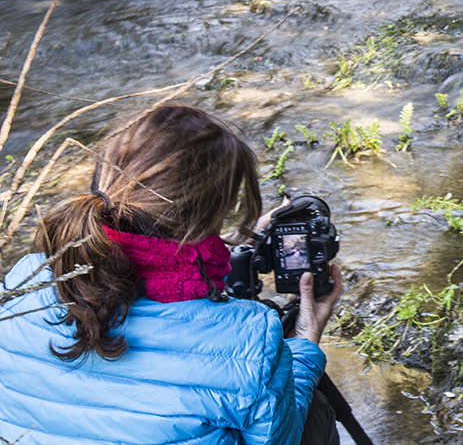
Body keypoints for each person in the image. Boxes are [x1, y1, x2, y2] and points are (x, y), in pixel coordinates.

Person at [0, 103, 345, 445]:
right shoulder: (248, 339)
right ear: (212, 217)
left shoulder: (26, 279)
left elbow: (137, 274)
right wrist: (304, 345)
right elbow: (277, 440)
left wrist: (223, 248)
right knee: (310, 411)